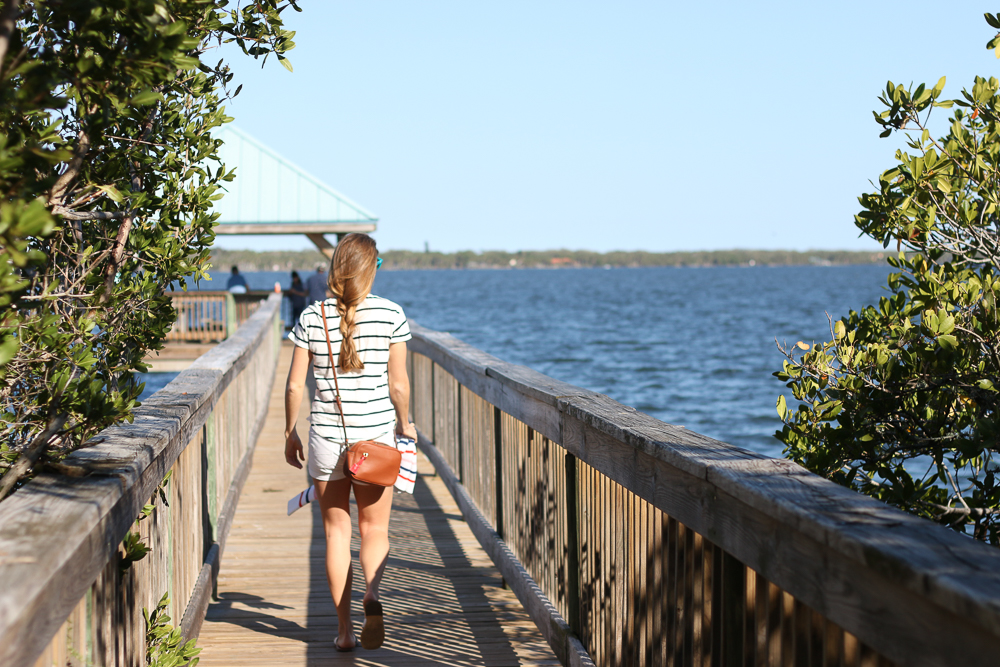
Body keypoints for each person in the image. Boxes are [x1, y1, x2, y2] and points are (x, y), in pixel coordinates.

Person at [283, 234, 416, 652]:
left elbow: (292, 386)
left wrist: (290, 432)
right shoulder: (391, 315)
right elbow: (398, 384)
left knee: (336, 533)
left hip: (326, 439)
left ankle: (343, 633)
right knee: (374, 528)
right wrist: (404, 423)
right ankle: (372, 594)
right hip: (375, 440)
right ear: (372, 267)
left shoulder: (311, 317)